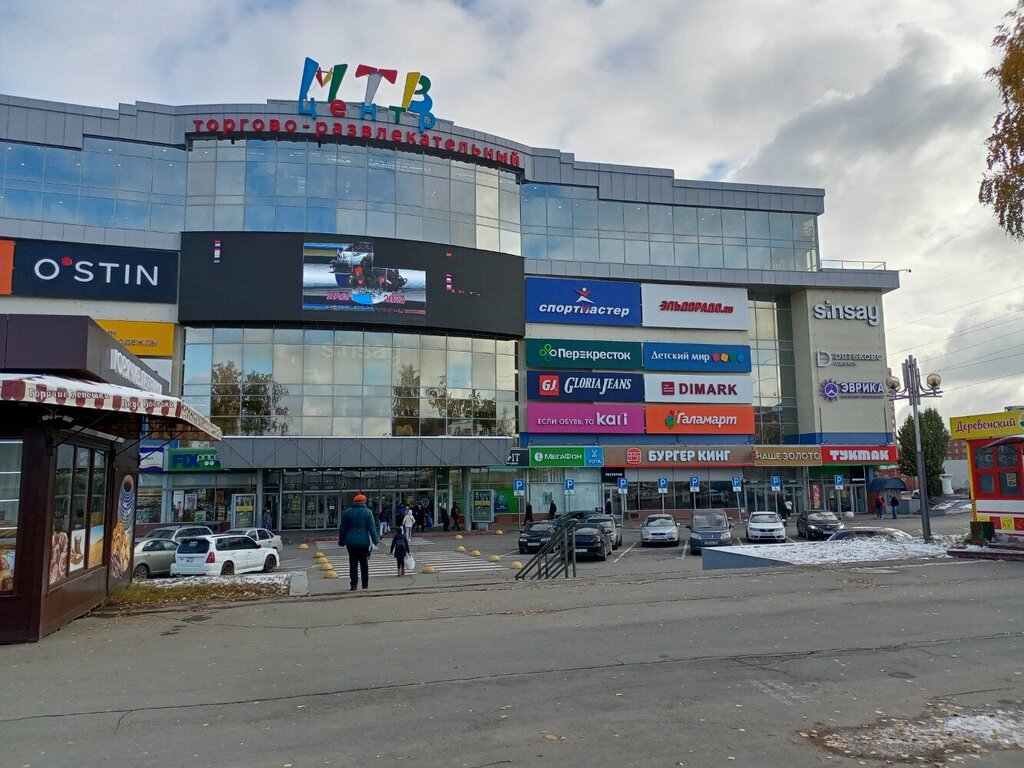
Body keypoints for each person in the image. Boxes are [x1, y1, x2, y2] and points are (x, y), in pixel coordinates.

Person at [338, 493, 380, 591]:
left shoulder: (347, 512)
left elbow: (343, 528)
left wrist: (341, 541)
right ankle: (365, 585)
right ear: (364, 502)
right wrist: (375, 541)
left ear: (354, 502)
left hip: (351, 542)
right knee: (364, 563)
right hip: (363, 542)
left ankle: (353, 585)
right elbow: (372, 528)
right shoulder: (368, 512)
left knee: (353, 563)